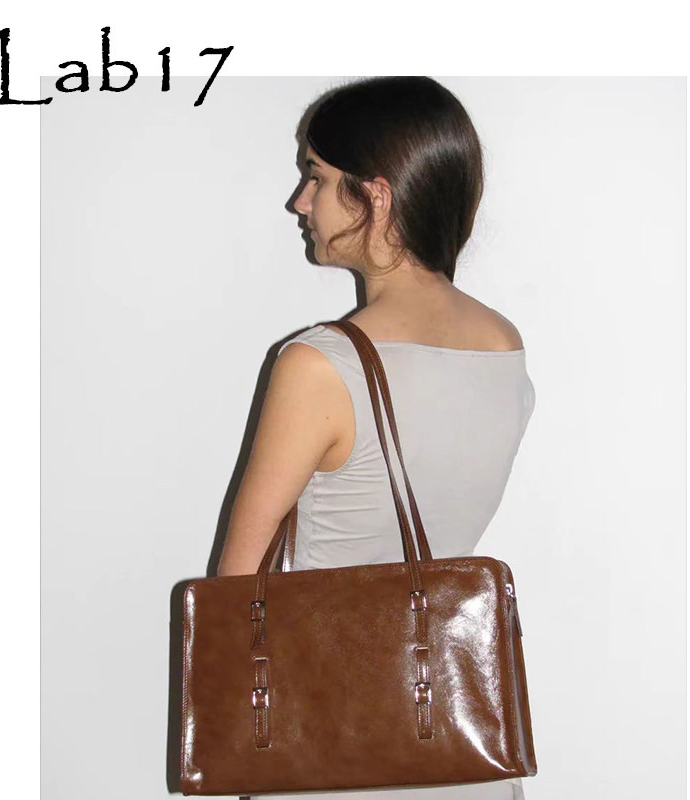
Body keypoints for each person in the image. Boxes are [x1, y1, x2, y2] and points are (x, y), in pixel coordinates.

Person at [217, 76, 536, 800]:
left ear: (377, 195)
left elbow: (239, 591)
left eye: (316, 177)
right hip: (459, 752)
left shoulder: (319, 364)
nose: (300, 202)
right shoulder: (502, 344)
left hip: (333, 748)